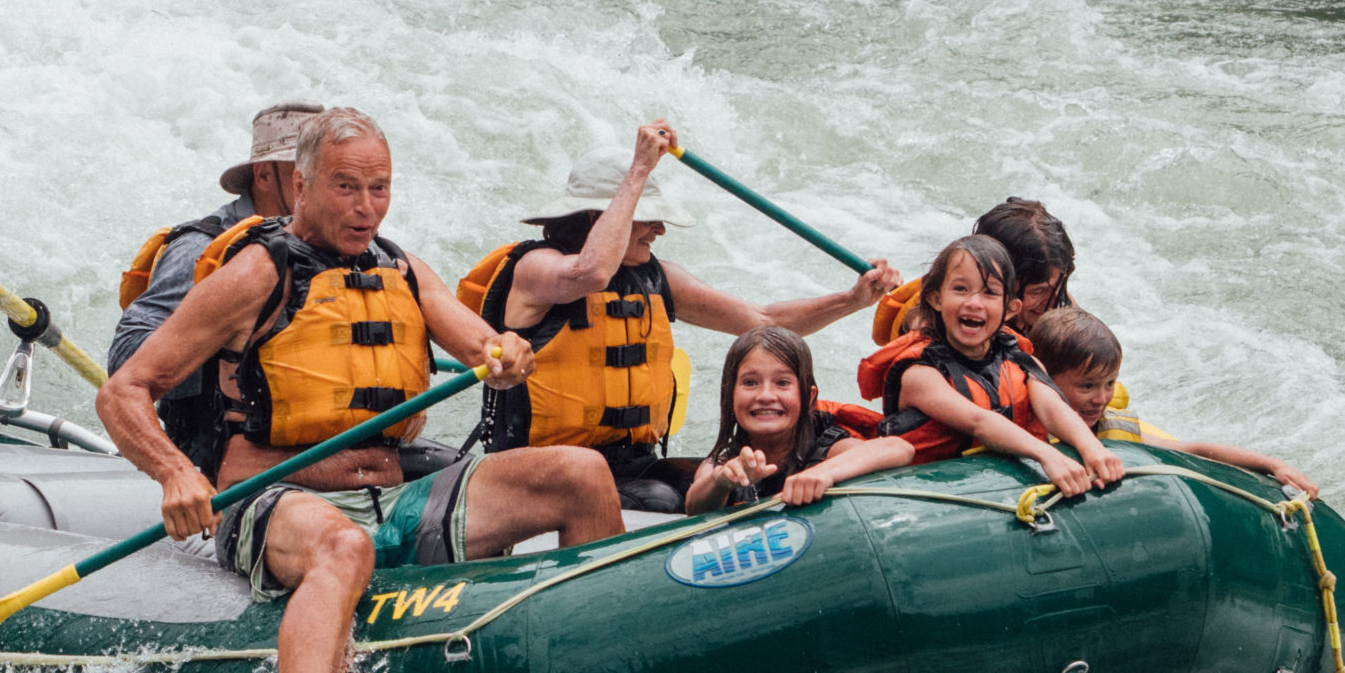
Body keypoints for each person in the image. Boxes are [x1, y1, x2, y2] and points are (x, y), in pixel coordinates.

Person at [99, 108, 624, 673]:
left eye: (379, 188)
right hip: (274, 497)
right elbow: (124, 388)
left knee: (581, 472)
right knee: (344, 548)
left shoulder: (398, 265)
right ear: (303, 186)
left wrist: (503, 354)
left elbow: (474, 336)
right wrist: (172, 474)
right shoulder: (256, 272)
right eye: (347, 187)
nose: (366, 206)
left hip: (394, 494)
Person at [460, 121, 901, 512]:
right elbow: (590, 272)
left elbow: (761, 319)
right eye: (646, 217)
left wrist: (852, 299)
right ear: (600, 217)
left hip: (633, 465)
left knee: (730, 484)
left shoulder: (658, 279)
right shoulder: (537, 269)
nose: (660, 229)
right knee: (661, 500)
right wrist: (638, 171)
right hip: (540, 470)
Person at [109, 101, 324, 475]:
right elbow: (125, 361)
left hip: (308, 450)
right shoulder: (201, 249)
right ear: (263, 175)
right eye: (304, 170)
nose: (317, 182)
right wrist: (222, 338)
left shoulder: (337, 247)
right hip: (214, 460)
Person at [856, 236, 1122, 498]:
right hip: (929, 492)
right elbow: (979, 422)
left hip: (998, 487)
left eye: (990, 292)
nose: (974, 302)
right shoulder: (920, 373)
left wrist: (1092, 448)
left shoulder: (1018, 357)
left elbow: (1051, 407)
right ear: (936, 299)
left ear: (1010, 309)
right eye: (960, 289)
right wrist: (1047, 454)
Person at [1028, 307, 1318, 496]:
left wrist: (1271, 464)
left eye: (1109, 384)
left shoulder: (1113, 428)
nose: (1101, 399)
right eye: (1087, 386)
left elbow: (1194, 450)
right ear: (1047, 380)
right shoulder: (1028, 431)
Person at [682, 327, 910, 513]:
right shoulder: (724, 463)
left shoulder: (826, 447)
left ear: (808, 397)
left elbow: (899, 448)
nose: (765, 396)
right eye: (750, 383)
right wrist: (722, 482)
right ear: (730, 395)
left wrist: (822, 473)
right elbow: (694, 507)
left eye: (782, 383)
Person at [872, 197, 1079, 343]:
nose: (1053, 301)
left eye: (1059, 287)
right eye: (1038, 291)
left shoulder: (1052, 299)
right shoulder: (935, 326)